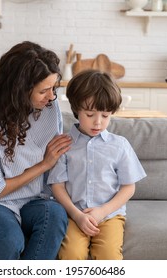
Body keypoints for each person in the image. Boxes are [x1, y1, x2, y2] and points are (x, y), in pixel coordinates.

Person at [0, 41, 72, 260]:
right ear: (19, 90)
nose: (52, 97)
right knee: (10, 239)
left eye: (53, 88)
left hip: (33, 201)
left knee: (55, 214)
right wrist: (44, 165)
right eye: (44, 91)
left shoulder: (48, 108)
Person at [47, 69, 146, 260]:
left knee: (108, 257)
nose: (98, 122)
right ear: (76, 109)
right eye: (90, 114)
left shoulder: (119, 145)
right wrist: (77, 215)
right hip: (74, 215)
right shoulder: (64, 144)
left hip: (109, 216)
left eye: (105, 115)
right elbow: (57, 186)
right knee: (71, 255)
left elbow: (129, 187)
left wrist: (103, 211)